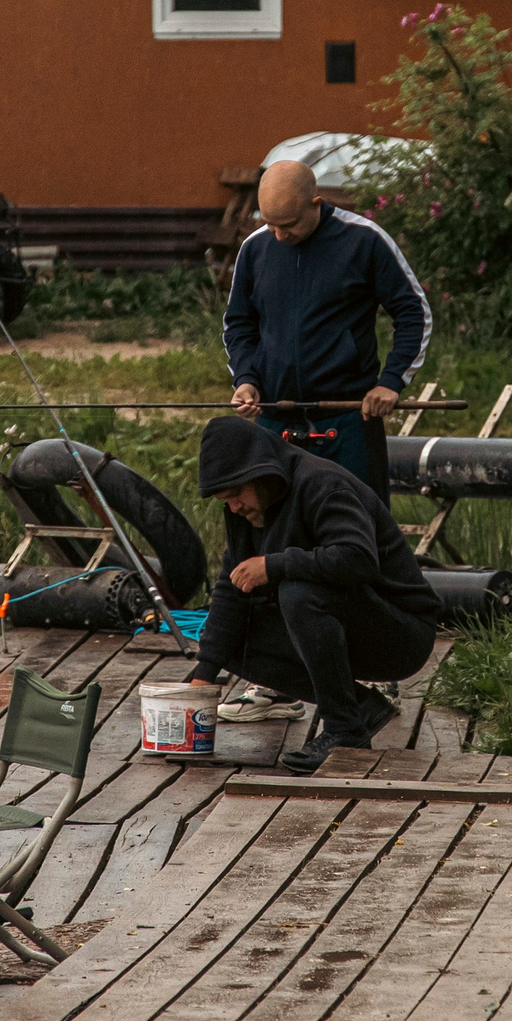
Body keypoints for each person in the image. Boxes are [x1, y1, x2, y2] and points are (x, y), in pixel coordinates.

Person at [218, 159, 431, 723]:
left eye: (289, 224)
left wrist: (390, 382)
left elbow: (413, 313)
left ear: (316, 202)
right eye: (271, 223)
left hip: (347, 421)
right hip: (276, 424)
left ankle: (369, 668)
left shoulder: (364, 240)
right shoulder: (258, 247)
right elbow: (239, 323)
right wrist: (246, 378)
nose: (279, 235)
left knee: (355, 549)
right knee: (267, 549)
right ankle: (282, 678)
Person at [185, 414, 441, 774]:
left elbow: (357, 560)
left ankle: (344, 729)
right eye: (224, 501)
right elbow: (232, 587)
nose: (234, 507)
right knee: (228, 641)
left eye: (236, 495)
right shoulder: (247, 512)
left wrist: (273, 566)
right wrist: (202, 679)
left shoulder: (323, 484)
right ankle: (362, 708)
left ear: (260, 476)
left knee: (298, 593)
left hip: (401, 633)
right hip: (347, 624)